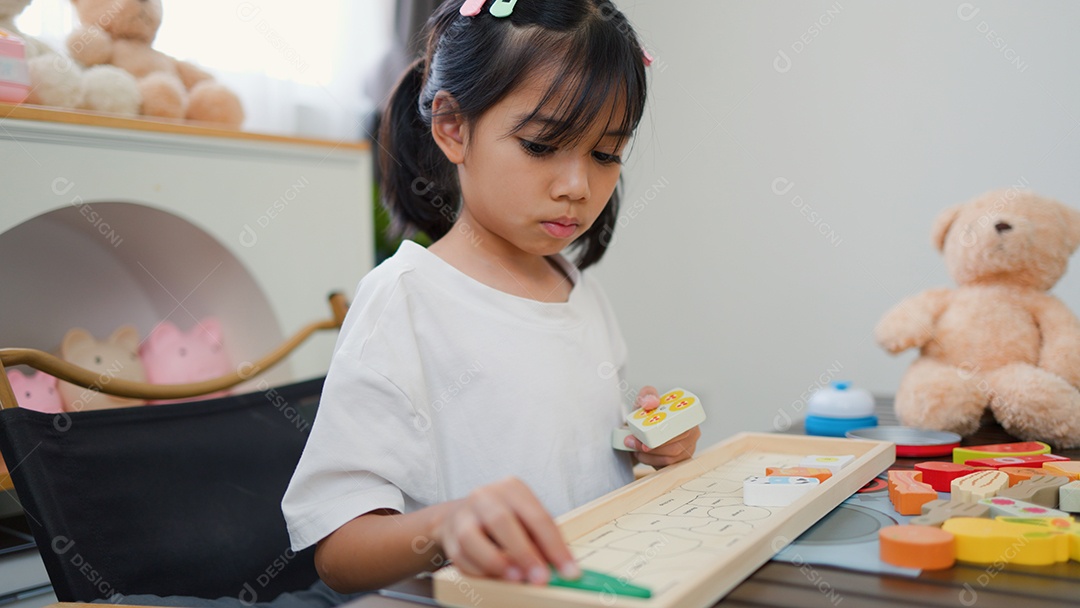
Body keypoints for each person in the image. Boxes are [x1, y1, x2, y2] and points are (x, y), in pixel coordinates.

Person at [281, 0, 702, 594]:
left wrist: (649, 449)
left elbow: (577, 469)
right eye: (541, 145)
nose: (578, 187)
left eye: (606, 154)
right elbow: (339, 551)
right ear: (453, 127)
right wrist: (449, 526)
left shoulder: (579, 294)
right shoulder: (404, 300)